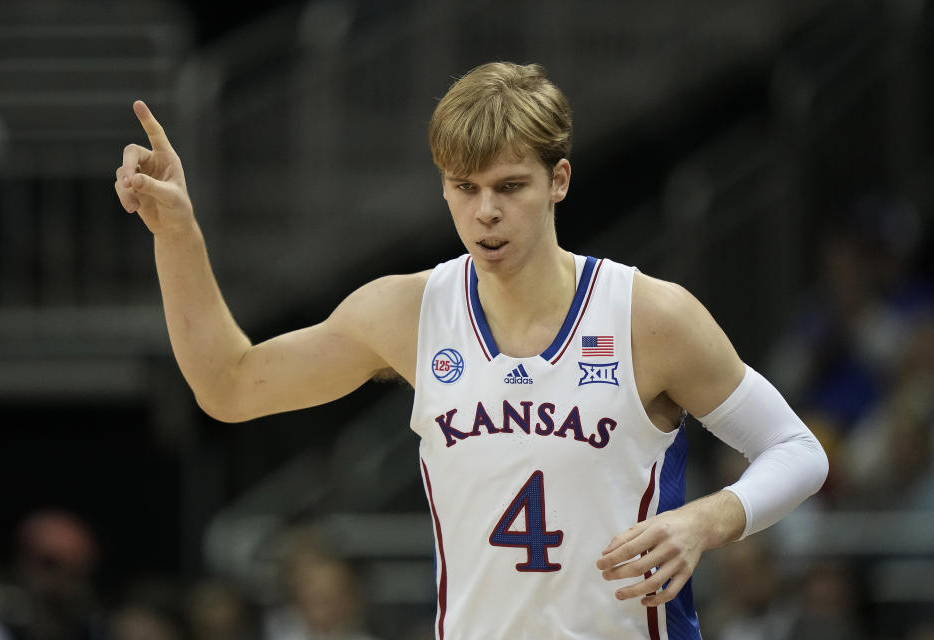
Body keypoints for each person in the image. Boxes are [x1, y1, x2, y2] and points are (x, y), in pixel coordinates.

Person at [114, 62, 829, 639]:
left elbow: (799, 450)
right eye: (464, 188)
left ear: (559, 181)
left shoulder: (649, 315)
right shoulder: (407, 311)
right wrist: (177, 235)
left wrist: (705, 520)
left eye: (510, 187)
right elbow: (230, 386)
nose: (485, 211)